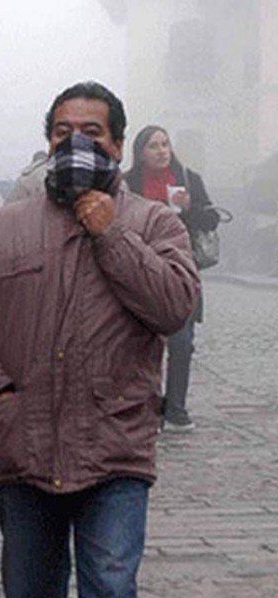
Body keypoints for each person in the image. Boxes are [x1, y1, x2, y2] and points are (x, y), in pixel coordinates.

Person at [0, 81, 200, 598]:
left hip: (115, 450)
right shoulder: (1, 230)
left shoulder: (153, 222)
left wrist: (112, 234)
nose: (75, 142)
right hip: (24, 449)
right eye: (63, 132)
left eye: (92, 132)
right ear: (48, 143)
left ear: (118, 147)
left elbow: (174, 307)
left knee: (112, 589)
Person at [124, 125, 220, 433]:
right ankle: (145, 404)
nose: (162, 151)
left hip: (182, 271)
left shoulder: (189, 179)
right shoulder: (127, 185)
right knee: (138, 342)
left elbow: (211, 219)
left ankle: (176, 408)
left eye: (165, 144)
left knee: (182, 342)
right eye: (154, 146)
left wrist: (190, 208)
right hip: (140, 271)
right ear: (141, 153)